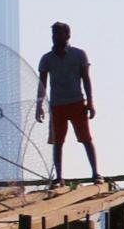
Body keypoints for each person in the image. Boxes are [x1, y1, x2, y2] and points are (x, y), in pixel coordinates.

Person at [34, 21, 99, 183]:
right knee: (58, 142)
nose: (55, 38)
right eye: (54, 35)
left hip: (77, 102)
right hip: (57, 105)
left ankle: (95, 173)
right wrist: (39, 106)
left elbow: (86, 79)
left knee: (86, 138)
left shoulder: (78, 55)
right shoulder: (47, 59)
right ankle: (59, 177)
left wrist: (90, 102)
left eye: (59, 34)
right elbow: (42, 84)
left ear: (67, 36)